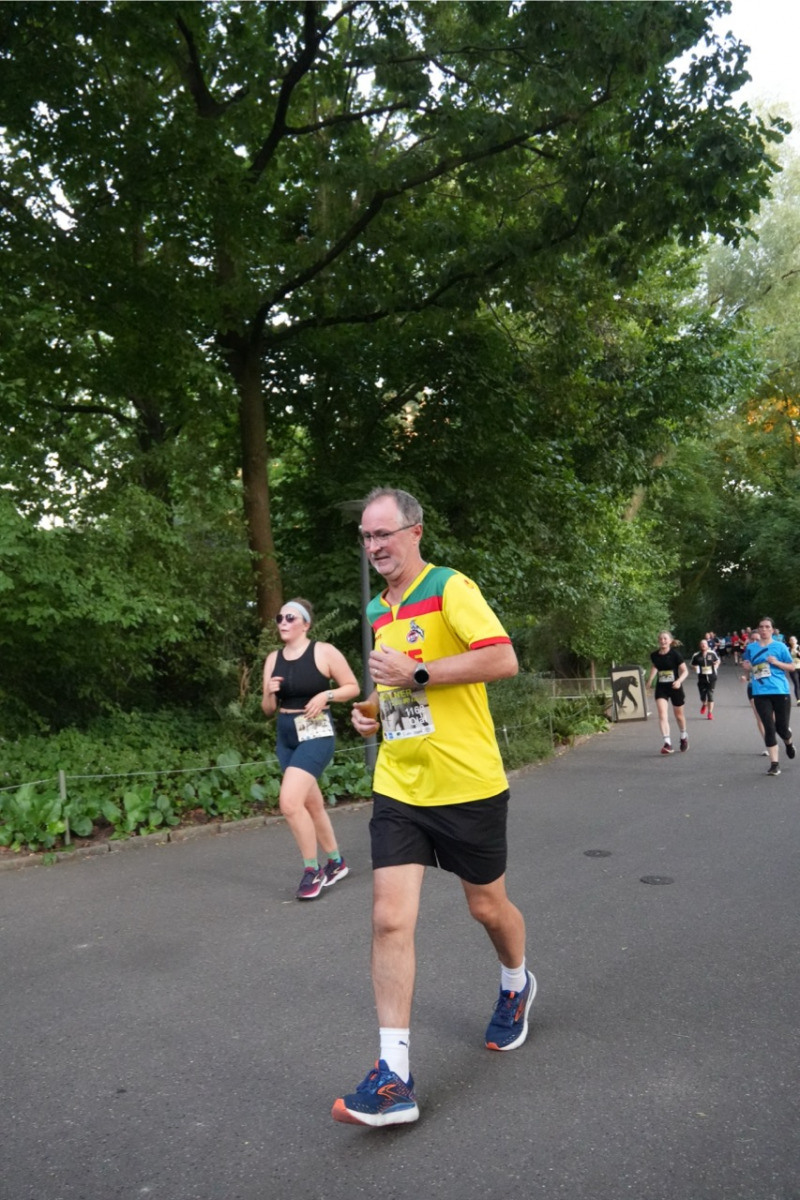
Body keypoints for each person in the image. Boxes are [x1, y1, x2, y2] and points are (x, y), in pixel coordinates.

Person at [331, 487, 529, 1129]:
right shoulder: (376, 608)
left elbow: (502, 658)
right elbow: (393, 689)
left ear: (415, 532)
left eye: (383, 533)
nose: (374, 546)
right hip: (401, 783)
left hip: (467, 784)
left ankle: (516, 982)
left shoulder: (449, 588)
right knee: (389, 920)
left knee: (487, 908)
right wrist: (370, 714)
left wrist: (418, 674)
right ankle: (394, 1077)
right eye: (366, 536)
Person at [262, 598, 360, 898]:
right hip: (286, 733)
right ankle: (336, 862)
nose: (283, 622)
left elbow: (352, 687)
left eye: (290, 618)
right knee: (311, 804)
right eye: (280, 618)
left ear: (306, 624)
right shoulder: (272, 659)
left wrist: (325, 695)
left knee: (290, 802)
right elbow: (267, 709)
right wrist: (269, 693)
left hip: (316, 731)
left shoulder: (324, 651)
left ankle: (312, 870)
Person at [742, 617, 796, 776]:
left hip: (780, 691)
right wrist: (747, 669)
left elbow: (792, 666)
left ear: (772, 630)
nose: (764, 629)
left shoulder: (780, 647)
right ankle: (774, 764)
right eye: (761, 627)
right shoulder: (751, 648)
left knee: (782, 728)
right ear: (758, 629)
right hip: (760, 692)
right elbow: (749, 667)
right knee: (769, 727)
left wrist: (777, 663)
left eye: (767, 627)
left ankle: (788, 743)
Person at [646, 630, 689, 754]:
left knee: (679, 716)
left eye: (665, 639)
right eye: (661, 639)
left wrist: (679, 681)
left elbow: (685, 671)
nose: (663, 641)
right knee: (662, 714)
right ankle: (667, 743)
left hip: (675, 687)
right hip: (662, 688)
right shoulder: (654, 655)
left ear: (670, 641)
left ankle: (683, 736)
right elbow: (655, 666)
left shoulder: (675, 655)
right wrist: (650, 680)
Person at [691, 637, 721, 719]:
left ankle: (710, 713)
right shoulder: (696, 655)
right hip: (702, 678)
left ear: (707, 645)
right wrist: (695, 668)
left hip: (712, 677)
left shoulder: (712, 653)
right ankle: (704, 704)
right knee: (703, 696)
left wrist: (716, 665)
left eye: (705, 644)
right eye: (702, 644)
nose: (703, 645)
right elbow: (692, 664)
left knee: (710, 695)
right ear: (700, 646)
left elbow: (718, 660)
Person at [789, 636, 800, 704]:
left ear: (796, 640)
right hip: (793, 669)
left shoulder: (799, 647)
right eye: (791, 640)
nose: (792, 641)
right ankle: (798, 700)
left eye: (793, 640)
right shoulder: (788, 649)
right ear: (789, 642)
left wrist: (797, 652)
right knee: (796, 684)